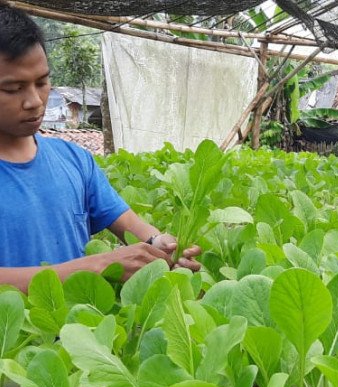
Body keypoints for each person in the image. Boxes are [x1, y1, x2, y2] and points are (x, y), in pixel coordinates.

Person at [0, 5, 201, 293]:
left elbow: (139, 231)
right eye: (12, 89)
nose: (34, 100)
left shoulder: (75, 161)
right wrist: (94, 267)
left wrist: (163, 248)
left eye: (42, 82)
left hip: (84, 336)